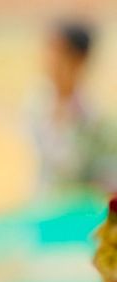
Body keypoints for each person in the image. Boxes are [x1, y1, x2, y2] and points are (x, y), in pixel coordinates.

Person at [30, 18, 117, 196]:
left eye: (58, 53)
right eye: (49, 51)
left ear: (80, 60)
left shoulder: (97, 121)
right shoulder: (36, 107)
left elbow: (107, 184)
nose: (50, 61)